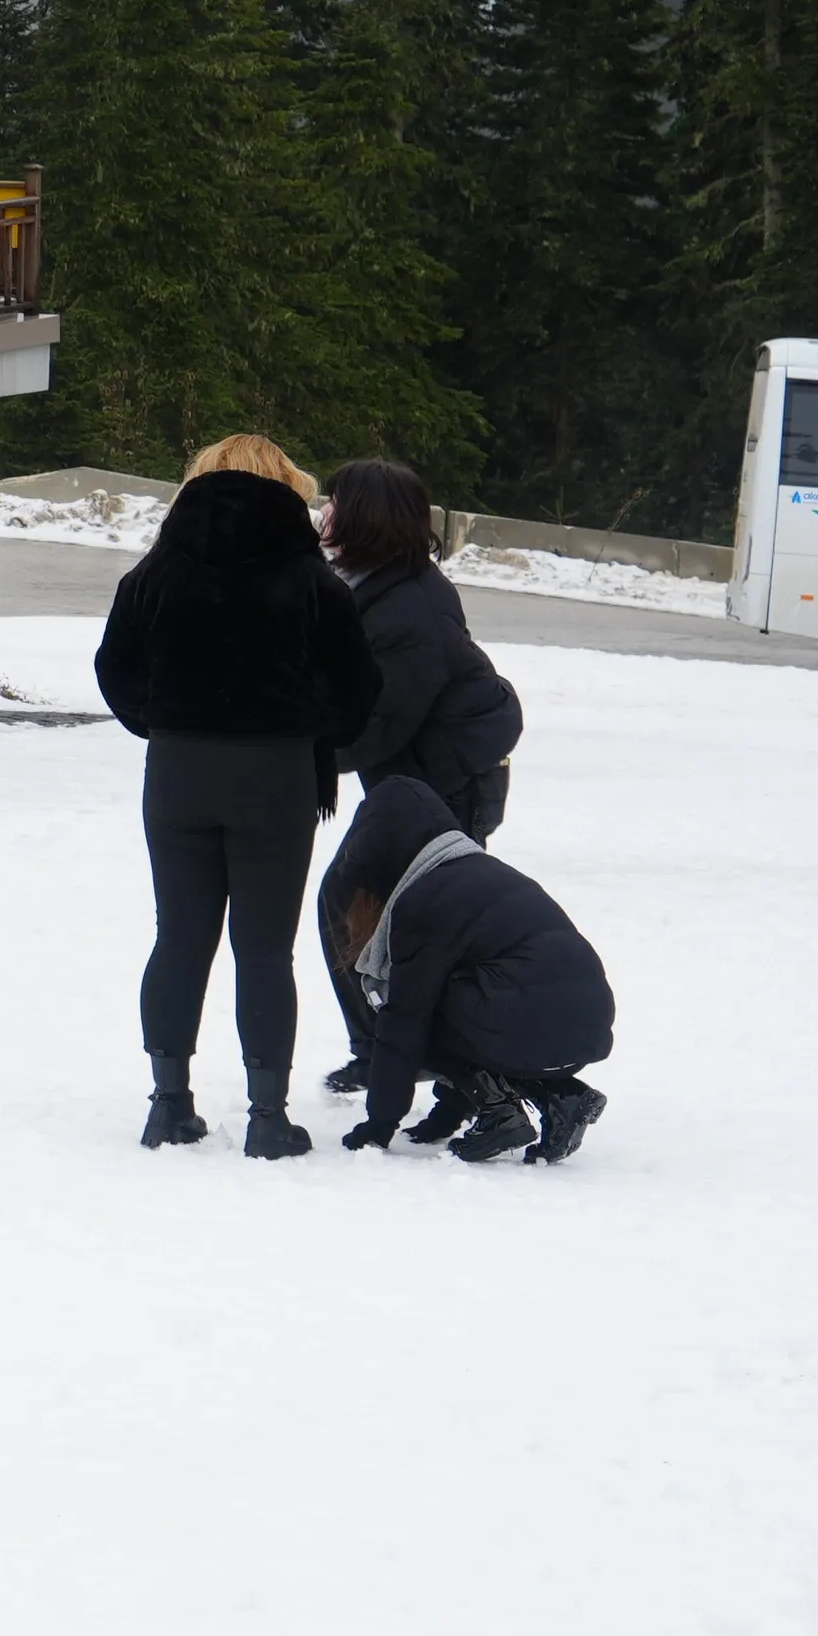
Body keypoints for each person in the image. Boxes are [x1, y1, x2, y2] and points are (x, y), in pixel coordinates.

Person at [93, 433, 380, 1158]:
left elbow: (115, 669)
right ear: (289, 486)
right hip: (277, 778)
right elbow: (358, 692)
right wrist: (309, 730)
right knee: (263, 950)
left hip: (178, 772)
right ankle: (266, 1116)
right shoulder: (314, 583)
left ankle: (168, 1104)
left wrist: (165, 722)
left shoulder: (154, 574)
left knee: (180, 937)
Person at [311, 457, 527, 1095]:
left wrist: (295, 754)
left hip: (445, 791)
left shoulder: (409, 610)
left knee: (372, 911)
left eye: (335, 504)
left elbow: (378, 724)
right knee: (372, 913)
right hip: (417, 784)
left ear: (366, 519)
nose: (324, 514)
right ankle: (389, 1048)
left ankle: (445, 1061)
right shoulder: (382, 583)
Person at [328, 776, 614, 1165]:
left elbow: (408, 1021)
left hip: (532, 1017)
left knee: (412, 1008)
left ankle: (499, 1112)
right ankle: (562, 1096)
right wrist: (444, 1117)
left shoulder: (424, 899)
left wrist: (378, 1125)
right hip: (584, 1023)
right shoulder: (477, 871)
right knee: (457, 1000)